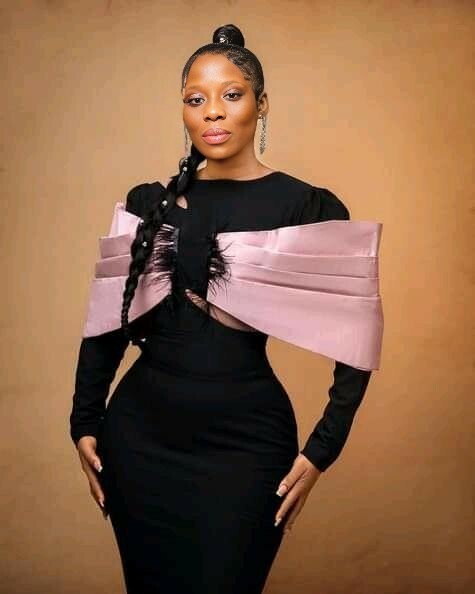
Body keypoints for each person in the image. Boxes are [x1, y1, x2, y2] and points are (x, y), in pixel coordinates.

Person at [69, 23, 382, 594]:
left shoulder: (306, 205)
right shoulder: (150, 202)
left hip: (246, 448)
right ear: (183, 110)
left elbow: (358, 336)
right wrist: (84, 420)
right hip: (139, 442)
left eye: (231, 95)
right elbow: (107, 321)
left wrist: (322, 449)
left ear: (261, 104)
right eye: (196, 99)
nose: (212, 111)